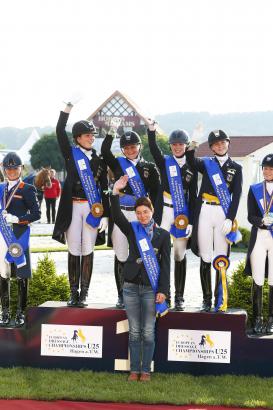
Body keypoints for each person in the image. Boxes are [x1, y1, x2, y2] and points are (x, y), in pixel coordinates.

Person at [111, 175, 170, 381]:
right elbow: (117, 216)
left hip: (150, 290)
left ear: (152, 211)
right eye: (138, 213)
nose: (142, 216)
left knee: (148, 332)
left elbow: (166, 266)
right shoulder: (132, 229)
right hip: (130, 287)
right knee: (135, 332)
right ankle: (134, 370)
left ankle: (146, 370)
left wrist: (163, 290)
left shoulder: (163, 235)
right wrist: (115, 192)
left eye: (145, 212)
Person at [53, 102, 109, 308]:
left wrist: (106, 215)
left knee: (88, 249)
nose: (91, 138)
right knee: (73, 249)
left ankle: (84, 292)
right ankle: (72, 292)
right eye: (87, 135)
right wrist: (67, 109)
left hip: (93, 209)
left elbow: (104, 187)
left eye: (92, 135)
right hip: (73, 207)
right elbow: (59, 130)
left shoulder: (99, 159)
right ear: (78, 138)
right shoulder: (70, 154)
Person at [101, 120, 160, 308]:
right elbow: (104, 151)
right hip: (120, 214)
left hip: (140, 216)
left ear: (139, 147)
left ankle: (143, 292)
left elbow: (157, 195)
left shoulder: (150, 168)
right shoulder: (118, 164)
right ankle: (121, 295)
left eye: (133, 146)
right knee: (120, 255)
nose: (130, 150)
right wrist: (111, 130)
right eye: (126, 148)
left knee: (142, 253)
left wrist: (154, 219)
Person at [187, 130, 242, 312]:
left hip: (222, 213)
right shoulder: (207, 163)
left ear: (228, 143)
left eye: (222, 142)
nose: (220, 145)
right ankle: (206, 299)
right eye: (216, 144)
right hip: (204, 210)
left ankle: (220, 300)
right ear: (211, 147)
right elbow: (191, 161)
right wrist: (193, 143)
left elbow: (236, 197)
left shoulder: (236, 167)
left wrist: (230, 217)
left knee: (221, 256)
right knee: (205, 256)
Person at [147, 121, 197, 310]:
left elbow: (193, 195)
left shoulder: (191, 166)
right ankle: (162, 294)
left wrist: (191, 220)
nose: (177, 147)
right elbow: (153, 148)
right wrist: (151, 131)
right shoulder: (165, 162)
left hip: (181, 214)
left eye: (180, 144)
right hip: (164, 212)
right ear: (171, 146)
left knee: (178, 254)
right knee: (160, 253)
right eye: (174, 144)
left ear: (185, 146)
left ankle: (180, 296)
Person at [0, 152, 40, 327]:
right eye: (8, 169)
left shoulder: (27, 188)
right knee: (3, 275)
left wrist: (18, 219)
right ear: (4, 169)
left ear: (21, 169)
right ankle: (5, 312)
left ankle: (21, 312)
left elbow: (37, 214)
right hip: (2, 237)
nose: (11, 172)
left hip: (19, 237)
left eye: (15, 168)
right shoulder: (0, 188)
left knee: (21, 275)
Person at [244, 154, 273, 334]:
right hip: (259, 236)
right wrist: (262, 221)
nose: (267, 171)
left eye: (270, 168)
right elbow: (250, 215)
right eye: (265, 168)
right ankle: (257, 319)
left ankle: (271, 320)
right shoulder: (254, 189)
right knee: (257, 277)